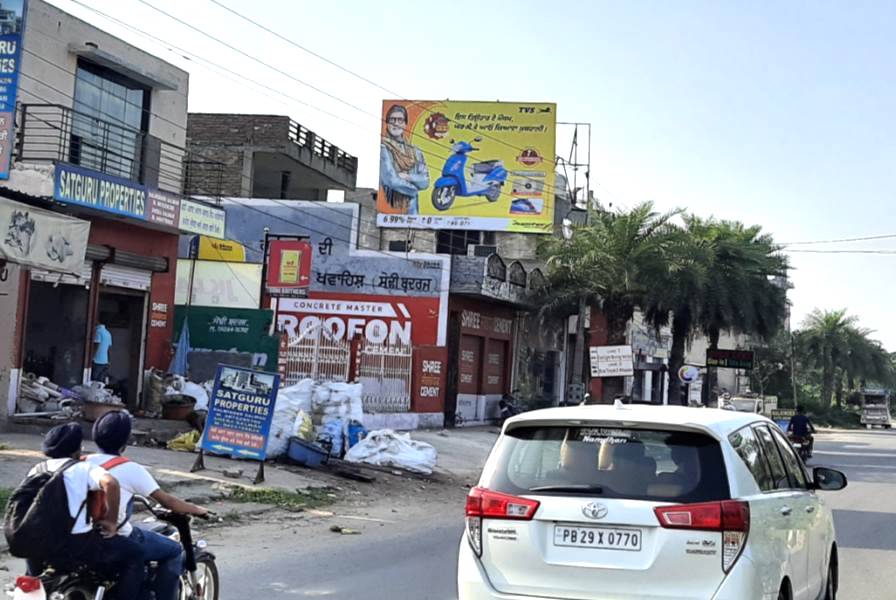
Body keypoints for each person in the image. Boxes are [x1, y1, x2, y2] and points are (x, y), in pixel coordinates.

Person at [86, 411, 208, 600]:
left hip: (82, 534)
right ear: (125, 441)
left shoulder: (81, 462)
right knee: (174, 550)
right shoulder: (131, 469)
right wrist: (198, 509)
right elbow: (169, 502)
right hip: (116, 536)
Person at [25, 423, 143, 600]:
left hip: (41, 542)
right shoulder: (83, 468)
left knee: (33, 579)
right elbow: (110, 483)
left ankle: (34, 588)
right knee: (136, 554)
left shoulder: (37, 469)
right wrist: (111, 522)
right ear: (77, 450)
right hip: (78, 545)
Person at [380, 103, 429, 215]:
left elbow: (425, 181)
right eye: (392, 120)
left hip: (413, 213)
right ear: (387, 123)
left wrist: (408, 177)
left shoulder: (415, 151)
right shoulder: (384, 148)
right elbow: (391, 180)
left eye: (400, 120)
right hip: (390, 211)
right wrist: (413, 190)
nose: (396, 124)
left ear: (405, 124)